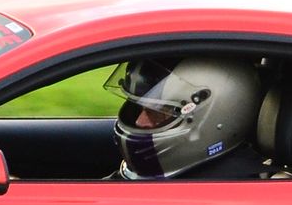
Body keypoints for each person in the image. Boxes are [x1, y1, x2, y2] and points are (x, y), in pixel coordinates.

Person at [111, 54, 266, 180]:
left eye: (158, 112)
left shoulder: (230, 192)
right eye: (139, 108)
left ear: (216, 117)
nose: (140, 121)